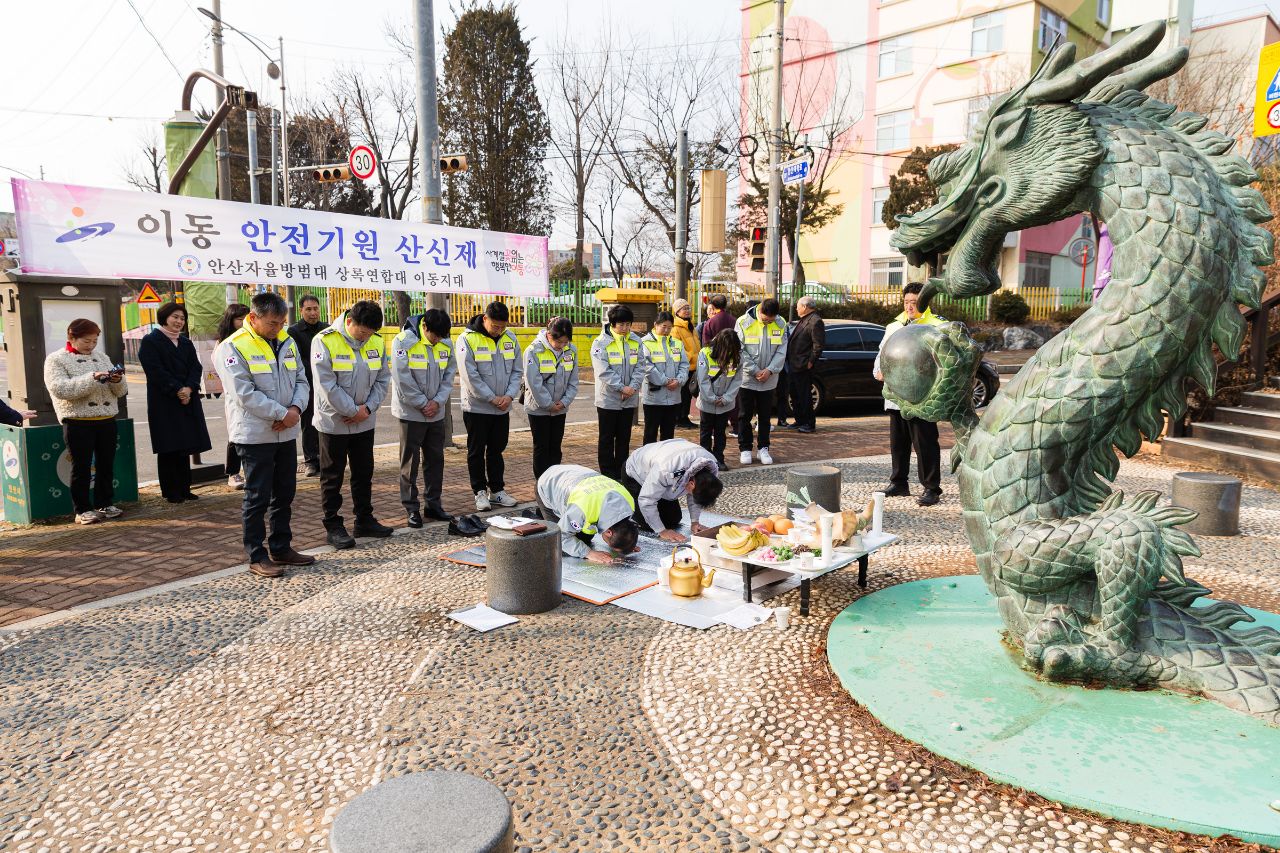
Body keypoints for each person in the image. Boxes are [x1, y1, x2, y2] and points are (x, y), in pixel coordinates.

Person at [214, 291, 316, 578]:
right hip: (255, 434)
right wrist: (282, 414)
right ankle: (256, 555)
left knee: (285, 493)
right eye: (272, 323)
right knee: (258, 495)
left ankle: (281, 547)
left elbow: (301, 379)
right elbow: (243, 393)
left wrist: (295, 409)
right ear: (253, 318)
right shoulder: (232, 347)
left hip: (286, 432)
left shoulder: (286, 341)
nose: (278, 328)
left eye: (282, 322)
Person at [312, 299, 394, 548]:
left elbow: (382, 379)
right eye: (362, 333)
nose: (365, 339)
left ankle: (364, 519)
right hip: (333, 422)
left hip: (364, 422)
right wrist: (351, 410)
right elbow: (326, 385)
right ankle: (333, 524)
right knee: (332, 476)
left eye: (370, 334)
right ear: (349, 321)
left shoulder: (377, 342)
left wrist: (366, 409)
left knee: (363, 473)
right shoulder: (324, 340)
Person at [44, 319, 128, 525]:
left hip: (106, 418)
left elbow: (121, 391)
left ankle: (104, 503)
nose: (90, 346)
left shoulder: (102, 357)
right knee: (81, 467)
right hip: (77, 420)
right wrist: (92, 378)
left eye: (94, 341)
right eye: (86, 341)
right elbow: (60, 389)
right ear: (71, 338)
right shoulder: (56, 359)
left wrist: (117, 380)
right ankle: (81, 509)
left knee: (106, 464)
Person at [873, 282, 945, 506]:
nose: (910, 306)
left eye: (914, 302)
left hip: (922, 396)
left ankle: (931, 487)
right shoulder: (894, 326)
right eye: (906, 302)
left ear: (924, 303)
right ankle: (899, 482)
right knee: (899, 442)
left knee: (925, 442)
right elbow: (882, 353)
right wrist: (878, 370)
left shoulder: (936, 326)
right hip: (895, 395)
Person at [137, 302, 212, 503]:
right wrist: (177, 389)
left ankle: (184, 487)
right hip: (165, 401)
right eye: (175, 317)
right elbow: (154, 370)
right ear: (165, 317)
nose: (179, 321)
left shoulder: (185, 342)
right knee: (168, 446)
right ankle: (171, 491)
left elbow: (196, 368)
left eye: (182, 318)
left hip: (187, 399)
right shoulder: (151, 341)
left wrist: (189, 388)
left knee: (185, 443)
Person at [392, 307, 457, 529]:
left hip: (436, 412)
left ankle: (433, 504)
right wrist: (422, 403)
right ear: (425, 327)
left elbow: (449, 375)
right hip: (411, 413)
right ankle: (411, 508)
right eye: (435, 335)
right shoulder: (403, 342)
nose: (438, 340)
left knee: (435, 460)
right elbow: (402, 379)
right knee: (410, 463)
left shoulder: (445, 343)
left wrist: (437, 402)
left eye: (442, 336)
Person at [457, 301, 522, 511]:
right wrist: (492, 398)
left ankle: (497, 491)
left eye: (503, 326)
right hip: (477, 407)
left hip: (502, 407)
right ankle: (479, 492)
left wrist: (510, 396)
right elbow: (470, 376)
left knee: (497, 450)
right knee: (476, 451)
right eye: (495, 326)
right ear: (485, 319)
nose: (499, 330)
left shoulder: (510, 338)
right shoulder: (467, 339)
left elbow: (516, 371)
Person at [535, 463, 640, 565]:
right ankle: (535, 519)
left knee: (584, 538)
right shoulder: (582, 509)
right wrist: (589, 553)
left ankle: (548, 516)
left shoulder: (628, 503)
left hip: (575, 476)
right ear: (608, 532)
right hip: (549, 482)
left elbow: (626, 529)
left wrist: (628, 544)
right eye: (611, 546)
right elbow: (561, 536)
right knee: (559, 547)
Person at [623, 438, 724, 543]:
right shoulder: (665, 469)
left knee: (673, 520)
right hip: (636, 473)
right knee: (648, 524)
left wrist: (695, 522)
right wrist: (662, 531)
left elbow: (698, 494)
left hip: (664, 474)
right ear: (691, 483)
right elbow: (647, 500)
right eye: (692, 492)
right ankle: (628, 509)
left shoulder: (709, 468)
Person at [591, 304, 649, 481]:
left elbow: (641, 366)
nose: (625, 328)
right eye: (621, 325)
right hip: (608, 398)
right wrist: (622, 387)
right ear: (612, 324)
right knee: (607, 438)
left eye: (628, 324)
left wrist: (632, 387)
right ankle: (608, 474)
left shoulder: (636, 341)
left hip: (629, 398)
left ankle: (622, 471)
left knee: (624, 438)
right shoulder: (600, 343)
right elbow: (603, 371)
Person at [734, 297, 788, 466]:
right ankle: (745, 449)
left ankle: (763, 448)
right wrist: (756, 370)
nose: (767, 323)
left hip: (769, 379)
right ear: (759, 311)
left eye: (770, 321)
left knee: (765, 416)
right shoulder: (743, 322)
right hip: (747, 379)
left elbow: (782, 350)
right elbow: (739, 350)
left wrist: (770, 370)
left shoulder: (780, 323)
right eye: (765, 319)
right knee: (744, 415)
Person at [524, 317, 579, 480]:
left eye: (565, 342)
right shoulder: (534, 350)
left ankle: (554, 481)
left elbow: (573, 381)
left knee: (555, 447)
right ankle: (541, 483)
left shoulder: (571, 350)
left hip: (560, 409)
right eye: (559, 342)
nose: (562, 346)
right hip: (538, 409)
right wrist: (548, 404)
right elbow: (534, 382)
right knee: (541, 448)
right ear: (549, 335)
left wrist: (564, 402)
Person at [287, 294, 325, 477]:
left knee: (325, 421)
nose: (313, 312)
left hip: (326, 385)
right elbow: (298, 359)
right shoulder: (293, 332)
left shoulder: (327, 329)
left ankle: (325, 458)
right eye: (308, 309)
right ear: (301, 310)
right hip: (307, 384)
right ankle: (310, 460)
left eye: (315, 308)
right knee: (309, 423)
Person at [696, 330, 743, 469]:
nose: (729, 352)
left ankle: (719, 459)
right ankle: (704, 461)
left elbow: (737, 380)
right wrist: (711, 398)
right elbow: (702, 380)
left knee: (720, 432)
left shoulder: (738, 356)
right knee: (705, 432)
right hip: (706, 402)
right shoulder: (705, 353)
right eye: (727, 348)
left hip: (725, 403)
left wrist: (726, 398)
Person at [639, 311, 688, 445]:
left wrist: (679, 380)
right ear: (655, 325)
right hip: (654, 398)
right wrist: (666, 381)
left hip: (673, 397)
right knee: (650, 433)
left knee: (668, 434)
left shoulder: (677, 343)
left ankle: (665, 463)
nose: (666, 330)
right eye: (663, 326)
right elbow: (647, 368)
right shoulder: (644, 343)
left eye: (669, 327)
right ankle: (648, 461)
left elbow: (684, 365)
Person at [216, 304, 251, 489]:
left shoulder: (253, 339)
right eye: (239, 319)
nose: (244, 322)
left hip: (253, 394)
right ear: (231, 321)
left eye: (247, 318)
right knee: (235, 433)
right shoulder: (225, 344)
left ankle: (248, 471)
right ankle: (233, 472)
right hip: (235, 395)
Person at [786, 296, 825, 434]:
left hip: (803, 365)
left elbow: (818, 345)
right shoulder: (803, 320)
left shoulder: (815, 321)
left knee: (804, 395)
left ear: (805, 307)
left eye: (798, 306)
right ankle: (800, 420)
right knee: (794, 394)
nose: (796, 308)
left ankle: (809, 422)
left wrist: (810, 362)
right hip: (793, 364)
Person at [670, 298, 700, 429]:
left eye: (688, 308)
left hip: (693, 366)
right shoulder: (675, 328)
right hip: (685, 366)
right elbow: (676, 349)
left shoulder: (690, 325)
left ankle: (684, 417)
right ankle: (679, 418)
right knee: (683, 394)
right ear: (677, 312)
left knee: (687, 394)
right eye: (684, 309)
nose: (687, 311)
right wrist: (690, 358)